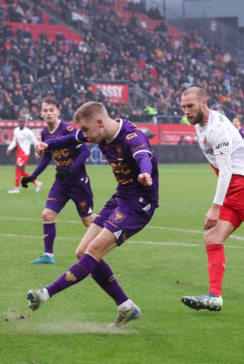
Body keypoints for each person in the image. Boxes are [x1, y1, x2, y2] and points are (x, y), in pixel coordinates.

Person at [26, 101, 159, 328]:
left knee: (95, 250)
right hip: (120, 197)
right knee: (82, 252)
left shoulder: (131, 136)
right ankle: (126, 306)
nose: (84, 135)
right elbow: (69, 139)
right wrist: (47, 146)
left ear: (99, 122)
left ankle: (45, 294)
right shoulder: (98, 133)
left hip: (139, 203)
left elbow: (142, 156)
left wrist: (145, 173)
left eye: (86, 130)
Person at [180, 86, 244, 311]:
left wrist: (215, 206)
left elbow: (227, 170)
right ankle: (214, 296)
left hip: (241, 187)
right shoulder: (202, 124)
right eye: (183, 107)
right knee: (213, 238)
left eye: (191, 106)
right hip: (233, 190)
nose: (187, 111)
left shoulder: (216, 128)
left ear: (203, 103)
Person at [21, 97, 94, 264]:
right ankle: (48, 256)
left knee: (88, 221)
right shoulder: (45, 133)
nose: (48, 113)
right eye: (45, 111)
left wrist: (71, 169)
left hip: (78, 182)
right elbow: (47, 156)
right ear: (41, 113)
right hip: (61, 182)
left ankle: (105, 224)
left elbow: (85, 152)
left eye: (51, 110)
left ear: (58, 112)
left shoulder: (68, 129)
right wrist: (33, 176)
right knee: (47, 214)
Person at [6, 118, 42, 194]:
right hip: (18, 153)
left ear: (25, 123)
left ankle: (16, 188)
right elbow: (14, 141)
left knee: (17, 168)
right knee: (21, 171)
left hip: (25, 153)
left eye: (22, 122)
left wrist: (37, 153)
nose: (20, 123)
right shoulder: (16, 130)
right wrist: (9, 148)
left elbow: (35, 142)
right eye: (19, 122)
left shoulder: (28, 132)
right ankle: (36, 183)